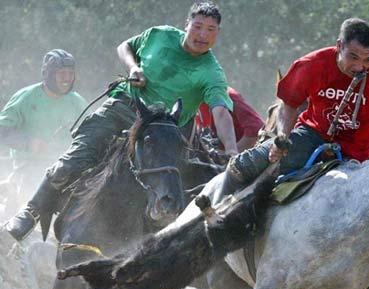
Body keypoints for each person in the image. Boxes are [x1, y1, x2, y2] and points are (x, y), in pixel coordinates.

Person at [5, 1, 237, 241]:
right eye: (198, 26)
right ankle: (31, 212)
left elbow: (220, 111)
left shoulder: (212, 72)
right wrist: (133, 67)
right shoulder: (160, 35)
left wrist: (231, 150)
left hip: (160, 131)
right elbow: (125, 46)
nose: (202, 35)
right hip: (123, 107)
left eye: (210, 30)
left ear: (217, 34)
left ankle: (156, 248)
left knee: (172, 188)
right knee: (72, 161)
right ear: (186, 24)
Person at [220, 18, 369, 236]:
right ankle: (216, 224)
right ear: (339, 46)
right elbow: (289, 104)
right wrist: (282, 138)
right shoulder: (312, 63)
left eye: (368, 60)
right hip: (311, 136)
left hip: (363, 152)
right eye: (353, 57)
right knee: (242, 165)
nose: (360, 67)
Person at [0, 50, 87, 205]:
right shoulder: (26, 97)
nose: (67, 78)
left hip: (68, 173)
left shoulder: (77, 102)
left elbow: (93, 132)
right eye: (62, 73)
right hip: (28, 170)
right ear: (48, 74)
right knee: (25, 214)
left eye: (70, 73)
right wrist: (28, 143)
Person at [197, 86, 265, 151]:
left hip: (243, 157)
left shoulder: (228, 96)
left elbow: (256, 128)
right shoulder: (193, 104)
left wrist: (232, 155)